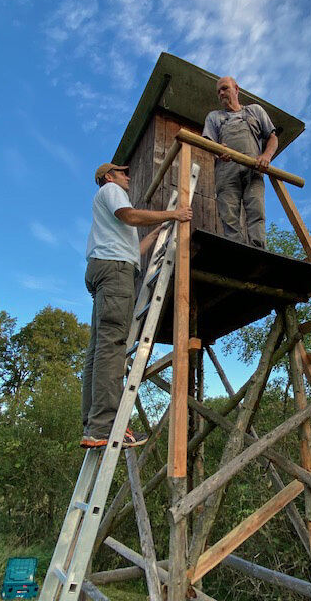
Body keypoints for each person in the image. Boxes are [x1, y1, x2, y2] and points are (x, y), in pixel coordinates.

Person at [81, 163, 192, 449]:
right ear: (109, 177)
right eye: (122, 172)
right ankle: (104, 427)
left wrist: (154, 235)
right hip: (114, 272)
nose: (128, 176)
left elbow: (132, 251)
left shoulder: (107, 213)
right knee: (112, 345)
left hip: (106, 268)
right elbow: (129, 215)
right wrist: (174, 214)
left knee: (99, 347)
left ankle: (93, 423)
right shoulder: (111, 190)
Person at [202, 76, 278, 249]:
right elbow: (208, 143)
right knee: (228, 215)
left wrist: (266, 156)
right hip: (226, 172)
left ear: (236, 89)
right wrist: (218, 150)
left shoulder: (254, 111)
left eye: (225, 88)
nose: (221, 93)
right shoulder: (214, 117)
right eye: (218, 91)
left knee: (256, 211)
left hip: (253, 168)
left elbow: (272, 137)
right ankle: (237, 253)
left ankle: (258, 252)